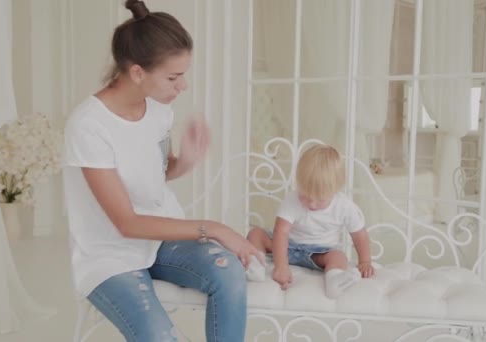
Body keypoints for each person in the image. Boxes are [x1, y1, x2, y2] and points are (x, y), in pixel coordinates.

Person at [62, 1, 262, 341]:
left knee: (228, 275)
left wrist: (185, 161)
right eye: (174, 76)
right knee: (160, 337)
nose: (182, 86)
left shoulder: (158, 111)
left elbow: (154, 173)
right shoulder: (88, 126)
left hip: (159, 242)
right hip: (110, 256)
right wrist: (215, 229)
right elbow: (127, 223)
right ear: (138, 72)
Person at [246, 144, 374, 299]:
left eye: (320, 200)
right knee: (256, 233)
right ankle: (256, 265)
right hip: (287, 246)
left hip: (319, 254)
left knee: (339, 256)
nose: (312, 204)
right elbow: (281, 233)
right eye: (305, 196)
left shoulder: (344, 206)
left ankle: (334, 280)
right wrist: (281, 266)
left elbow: (360, 236)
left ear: (336, 189)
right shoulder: (292, 199)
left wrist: (365, 261)